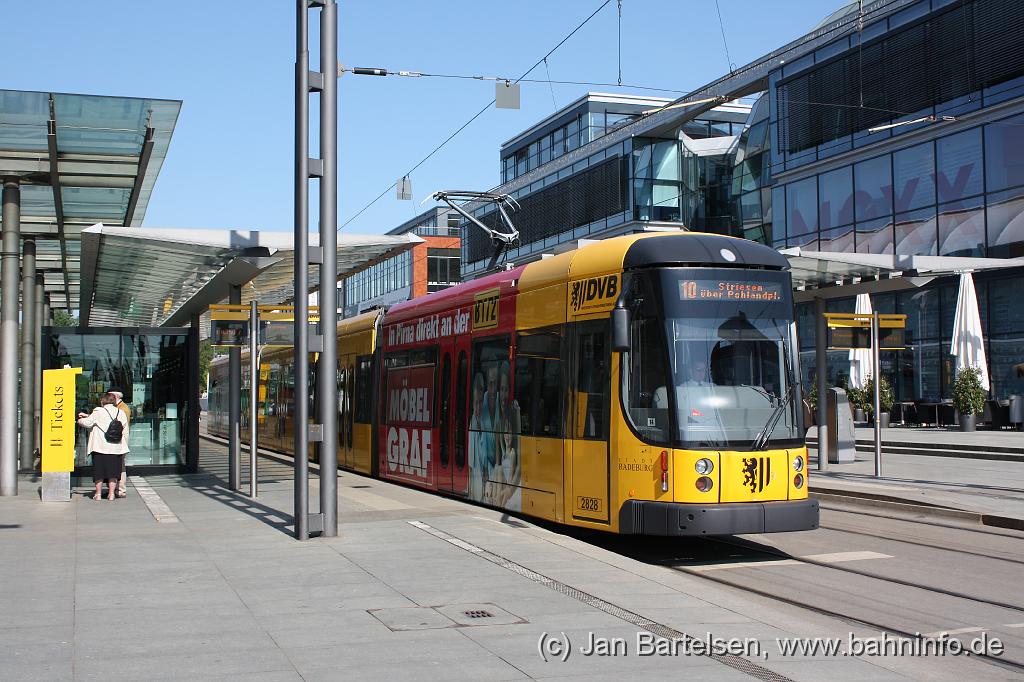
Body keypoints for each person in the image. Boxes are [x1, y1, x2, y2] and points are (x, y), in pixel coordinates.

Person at [77, 394, 129, 501]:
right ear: (114, 401)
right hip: (116, 448)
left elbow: (88, 423)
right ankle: (111, 494)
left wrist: (79, 420)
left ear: (102, 402)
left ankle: (98, 494)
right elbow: (125, 430)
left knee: (99, 472)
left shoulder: (98, 411)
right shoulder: (121, 412)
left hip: (100, 447)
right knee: (113, 473)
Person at [107, 390, 131, 498]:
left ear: (115, 396)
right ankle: (115, 489)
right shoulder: (121, 407)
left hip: (120, 440)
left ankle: (120, 490)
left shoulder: (123, 408)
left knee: (120, 465)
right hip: (117, 439)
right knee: (117, 464)